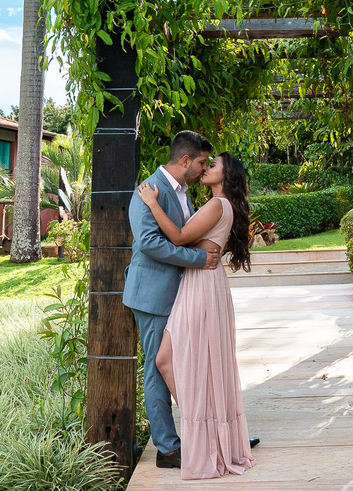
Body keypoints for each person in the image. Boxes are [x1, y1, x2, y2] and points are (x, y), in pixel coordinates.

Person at [136, 150, 256, 480]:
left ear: (226, 175)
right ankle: (208, 430)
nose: (206, 168)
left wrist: (152, 203)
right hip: (198, 281)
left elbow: (176, 237)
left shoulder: (218, 205)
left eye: (212, 165)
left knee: (174, 360)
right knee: (175, 360)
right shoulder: (217, 205)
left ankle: (207, 433)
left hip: (201, 284)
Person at [123, 131, 221, 469]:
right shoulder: (148, 192)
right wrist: (197, 260)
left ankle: (216, 433)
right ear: (184, 161)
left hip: (178, 294)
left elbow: (185, 234)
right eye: (201, 163)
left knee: (188, 363)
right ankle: (167, 448)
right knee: (157, 368)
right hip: (152, 295)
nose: (204, 169)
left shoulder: (182, 193)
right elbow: (149, 243)